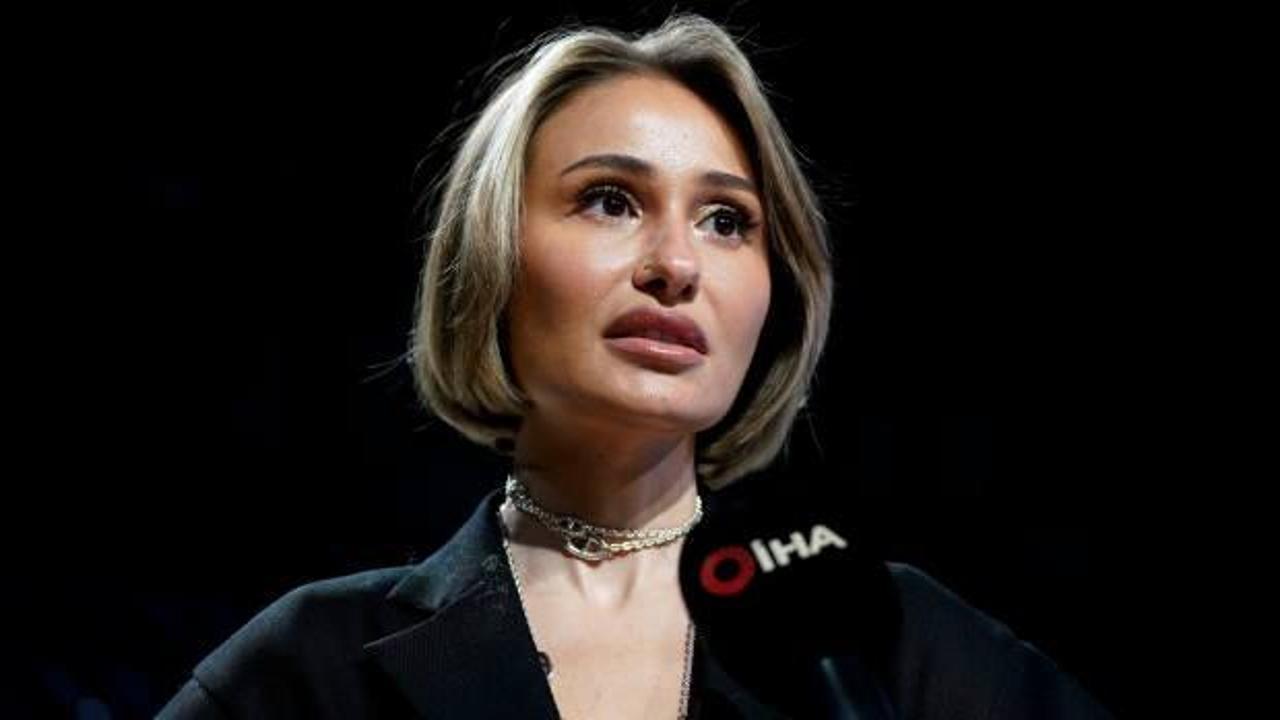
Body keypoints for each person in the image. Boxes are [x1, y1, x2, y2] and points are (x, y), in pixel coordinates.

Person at [158, 12, 1112, 719]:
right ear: (491, 256)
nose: (677, 265)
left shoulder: (891, 640)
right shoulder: (312, 667)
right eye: (611, 200)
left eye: (727, 220)